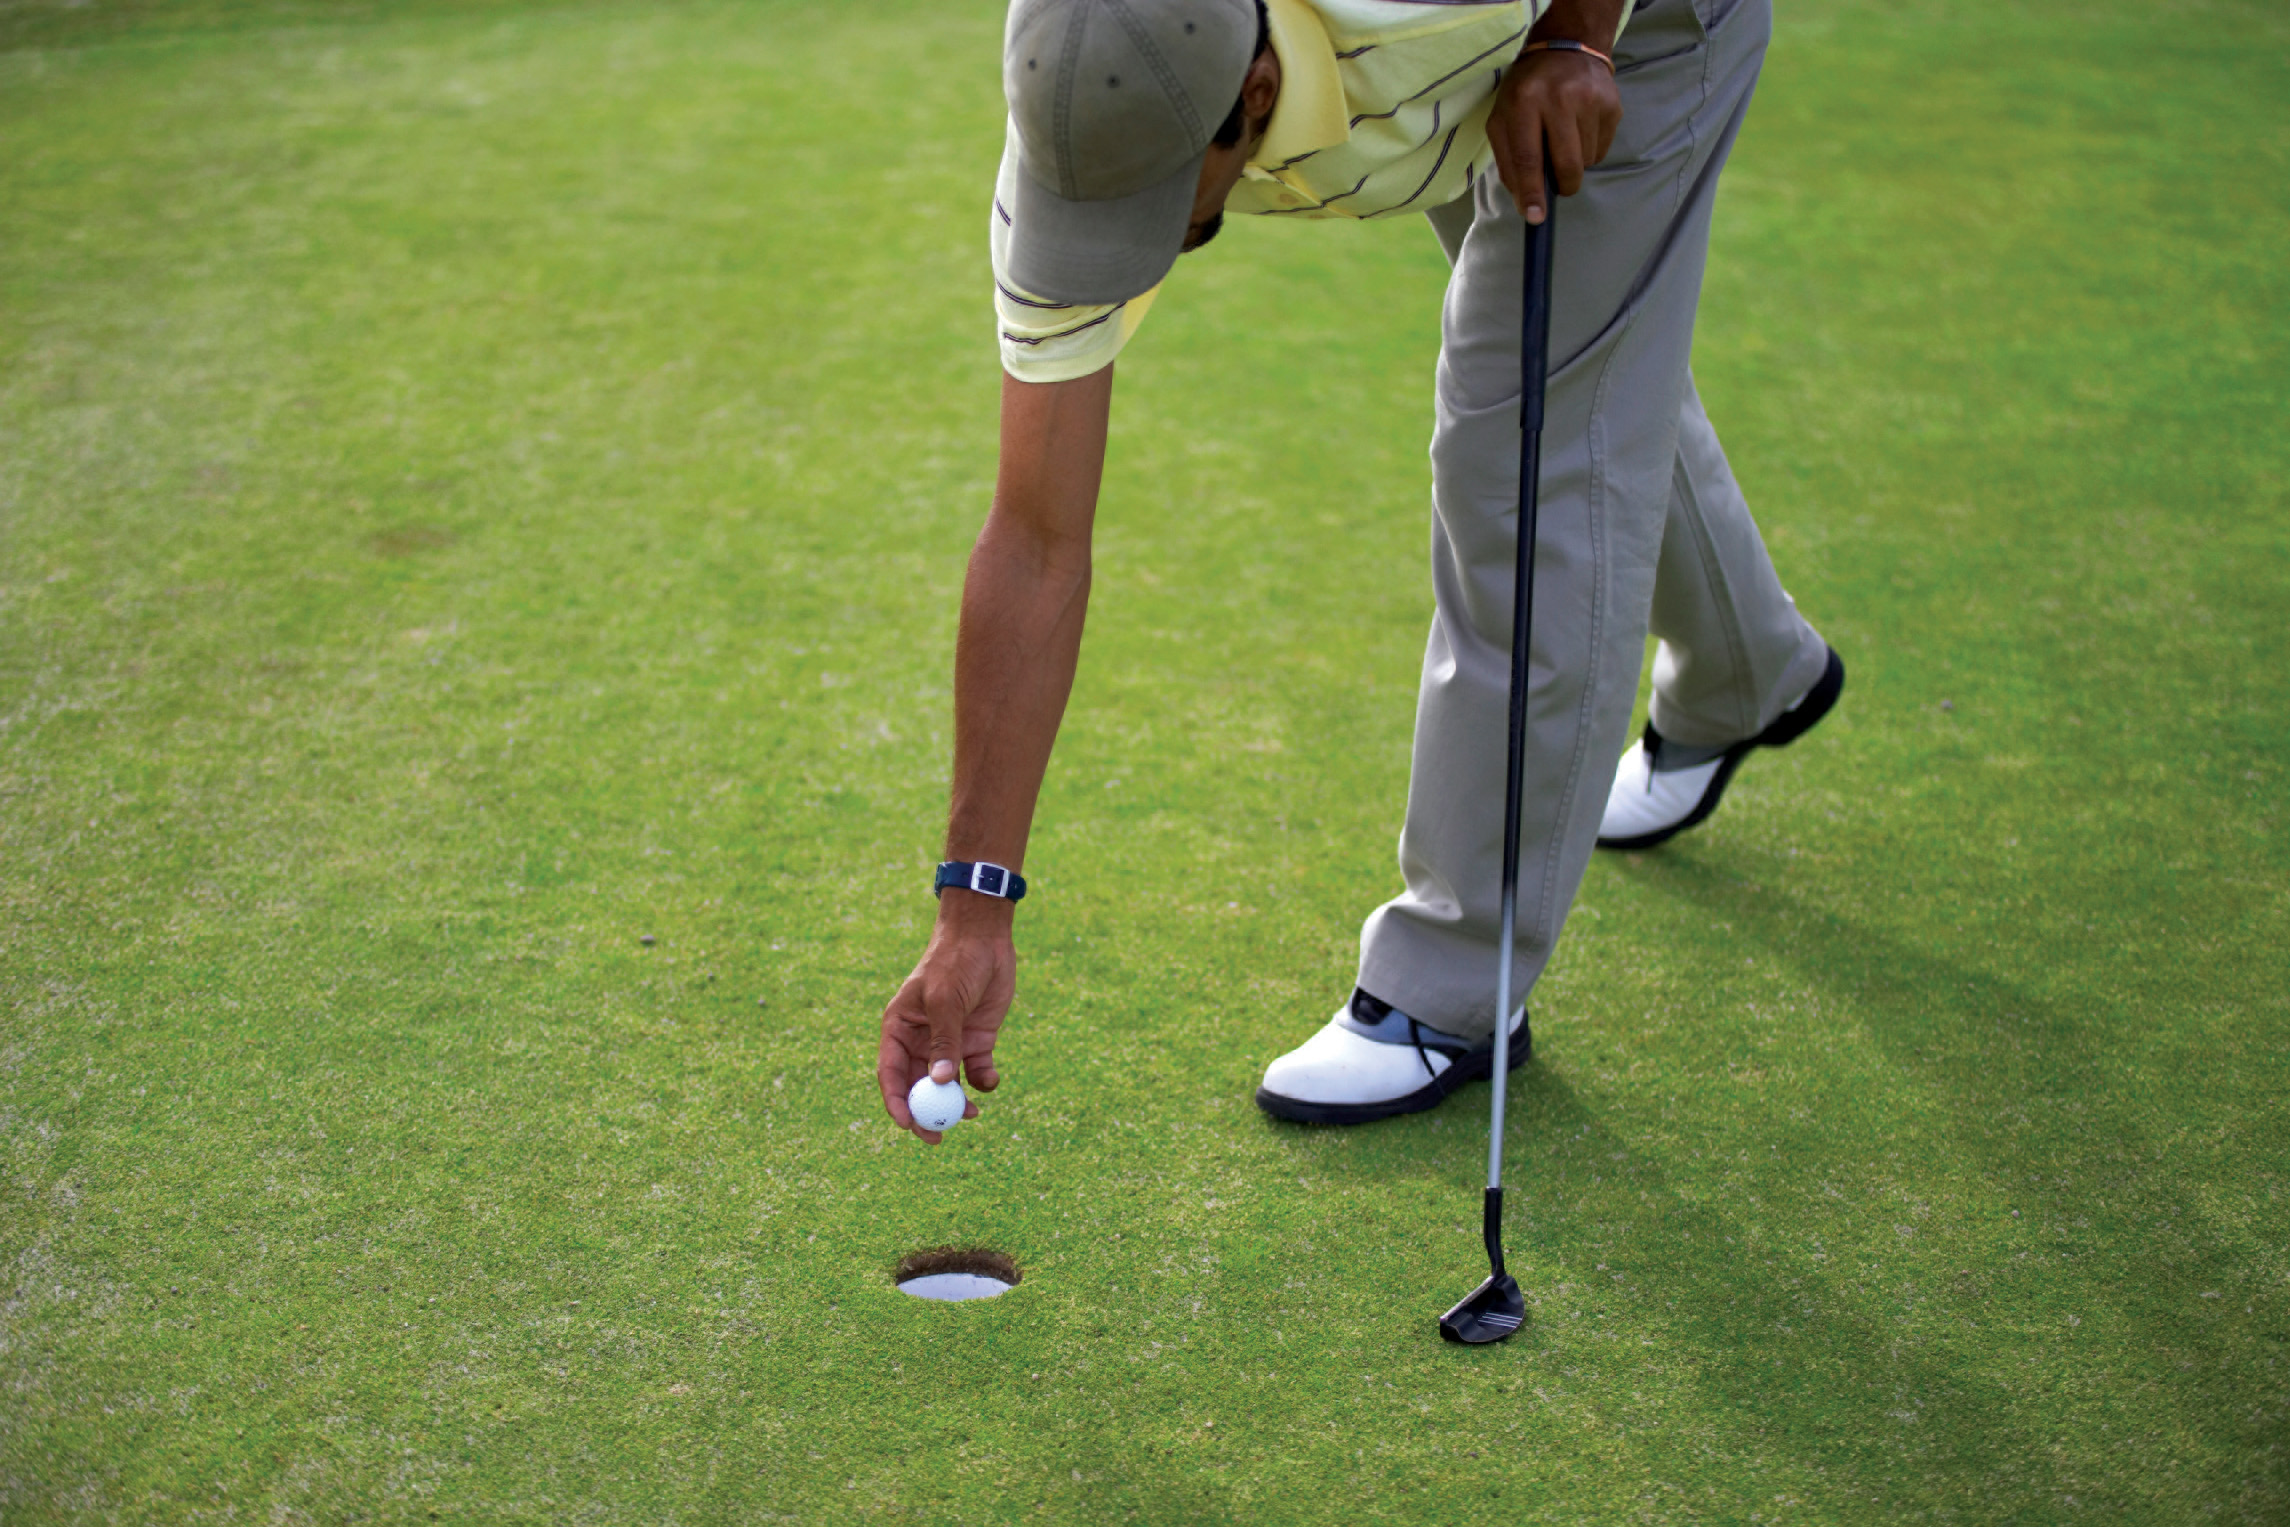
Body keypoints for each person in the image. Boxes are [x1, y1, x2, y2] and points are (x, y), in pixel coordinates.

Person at [876, 0, 1843, 1140]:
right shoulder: (1085, 88)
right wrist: (970, 911)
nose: (1116, 245)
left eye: (1152, 206)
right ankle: (1746, 672)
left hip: (1629, 28)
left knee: (1516, 443)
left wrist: (1579, 39)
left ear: (1254, 101)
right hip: (1441, 67)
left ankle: (1452, 987)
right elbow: (1037, 538)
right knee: (1583, 368)